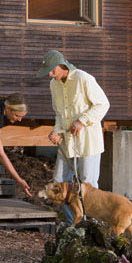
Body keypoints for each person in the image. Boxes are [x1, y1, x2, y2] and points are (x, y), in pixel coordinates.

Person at [36, 51, 109, 187]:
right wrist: (56, 131)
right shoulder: (53, 84)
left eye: (52, 71)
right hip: (67, 140)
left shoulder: (83, 78)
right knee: (60, 182)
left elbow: (103, 104)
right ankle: (63, 209)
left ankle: (87, 209)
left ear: (61, 65)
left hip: (88, 141)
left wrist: (81, 121)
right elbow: (59, 112)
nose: (50, 75)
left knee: (88, 184)